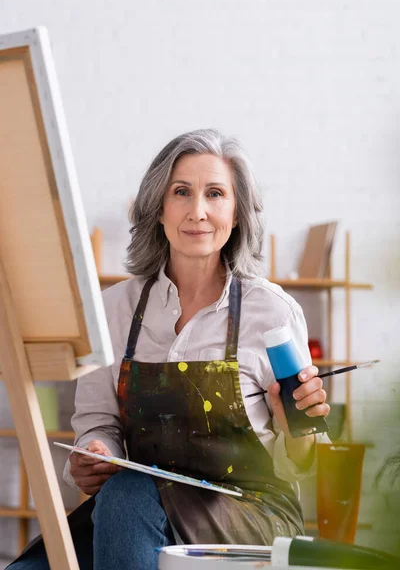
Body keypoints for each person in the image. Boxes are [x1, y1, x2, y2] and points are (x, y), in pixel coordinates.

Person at [8, 128, 330, 570]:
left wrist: (296, 429)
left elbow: (305, 465)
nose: (197, 211)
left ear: (236, 214)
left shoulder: (272, 313)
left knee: (126, 496)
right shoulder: (114, 308)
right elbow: (98, 423)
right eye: (182, 192)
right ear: (158, 208)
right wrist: (95, 453)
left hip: (247, 512)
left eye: (215, 193)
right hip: (137, 509)